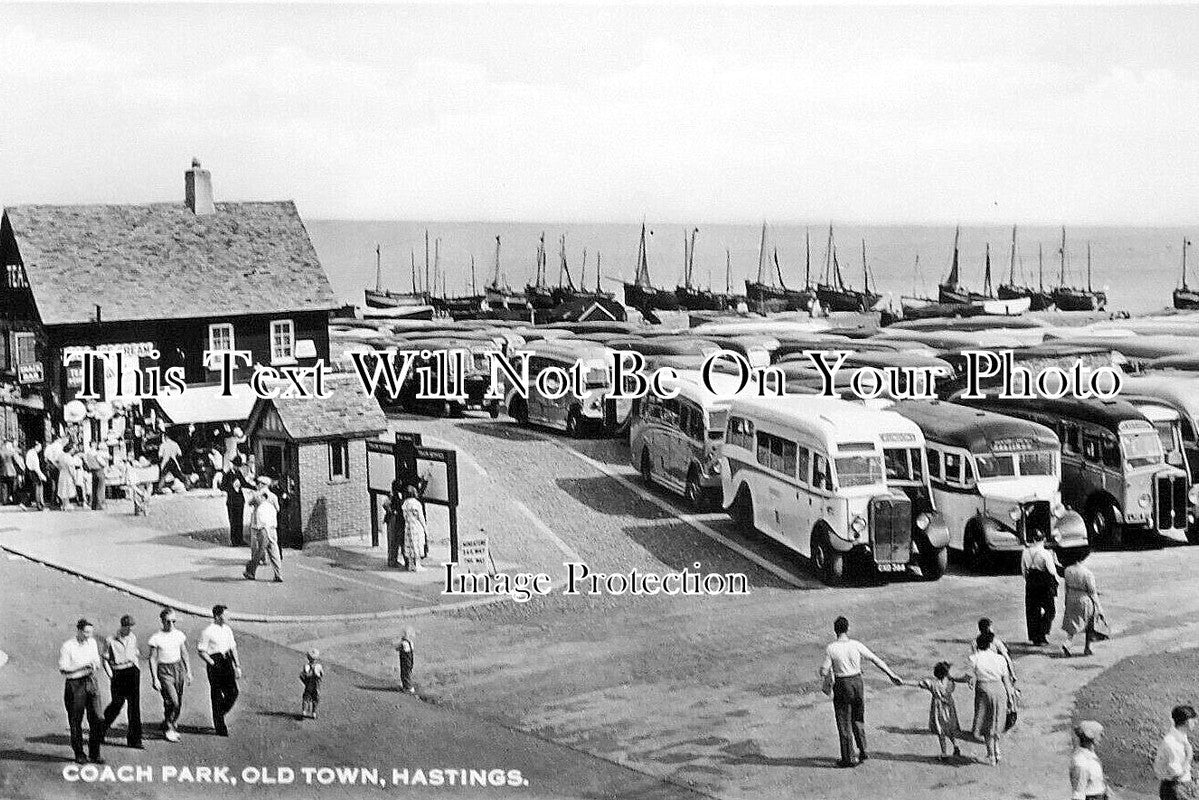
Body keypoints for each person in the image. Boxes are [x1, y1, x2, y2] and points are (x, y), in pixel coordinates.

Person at [818, 616, 904, 768]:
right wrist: (892, 674)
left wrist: (825, 671)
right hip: (857, 682)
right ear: (847, 629)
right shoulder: (856, 645)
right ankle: (863, 750)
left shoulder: (831, 648)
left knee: (844, 721)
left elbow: (824, 671)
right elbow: (875, 659)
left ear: (835, 630)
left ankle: (848, 758)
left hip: (842, 684)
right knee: (858, 717)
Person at [58, 618, 106, 764]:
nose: (88, 635)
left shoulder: (92, 642)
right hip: (75, 684)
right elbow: (63, 669)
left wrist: (93, 666)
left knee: (97, 718)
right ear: (78, 631)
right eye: (86, 632)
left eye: (90, 632)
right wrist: (82, 667)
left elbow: (96, 661)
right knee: (76, 720)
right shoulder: (67, 646)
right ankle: (79, 753)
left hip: (91, 681)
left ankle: (94, 753)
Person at [968, 630, 1015, 765]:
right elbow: (1006, 681)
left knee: (986, 722)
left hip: (983, 690)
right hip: (1000, 690)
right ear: (989, 645)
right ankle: (997, 750)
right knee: (997, 720)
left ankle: (991, 755)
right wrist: (1011, 698)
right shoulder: (1000, 659)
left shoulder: (974, 658)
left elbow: (969, 677)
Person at [148, 608, 191, 742]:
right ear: (162, 621)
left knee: (178, 699)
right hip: (164, 671)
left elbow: (184, 653)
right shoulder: (156, 638)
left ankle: (169, 721)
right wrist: (155, 678)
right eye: (168, 622)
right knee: (172, 700)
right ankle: (169, 728)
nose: (171, 624)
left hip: (178, 668)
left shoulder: (179, 635)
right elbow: (152, 659)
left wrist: (188, 671)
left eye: (174, 621)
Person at [197, 604, 241, 737]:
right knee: (216, 694)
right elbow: (201, 651)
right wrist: (211, 662)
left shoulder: (228, 629)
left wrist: (237, 666)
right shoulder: (208, 631)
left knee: (233, 692)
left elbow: (233, 648)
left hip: (226, 661)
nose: (228, 617)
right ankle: (220, 726)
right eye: (225, 615)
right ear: (217, 616)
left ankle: (218, 713)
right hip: (215, 662)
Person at [101, 614, 143, 749]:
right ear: (122, 626)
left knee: (134, 707)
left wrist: (137, 668)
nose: (129, 629)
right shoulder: (111, 640)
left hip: (132, 671)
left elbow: (135, 653)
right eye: (127, 627)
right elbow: (105, 659)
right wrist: (110, 674)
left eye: (131, 627)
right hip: (118, 673)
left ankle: (135, 740)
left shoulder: (133, 637)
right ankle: (99, 730)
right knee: (117, 704)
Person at [909, 661, 965, 761]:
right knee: (950, 729)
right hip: (949, 708)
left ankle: (944, 753)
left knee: (941, 731)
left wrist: (902, 681)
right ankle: (955, 746)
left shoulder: (933, 684)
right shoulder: (950, 683)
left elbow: (918, 683)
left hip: (938, 709)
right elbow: (956, 680)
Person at [1061, 549, 1105, 657]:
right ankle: (1087, 648)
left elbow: (1066, 587)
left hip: (1071, 597)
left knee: (1072, 623)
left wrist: (1066, 601)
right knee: (1090, 622)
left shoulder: (1067, 570)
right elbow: (1092, 592)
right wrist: (1099, 608)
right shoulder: (1087, 573)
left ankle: (1067, 643)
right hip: (1084, 599)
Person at [1020, 531, 1061, 646]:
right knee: (1050, 610)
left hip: (1031, 581)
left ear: (1033, 540)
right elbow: (1052, 571)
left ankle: (1034, 636)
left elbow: (1023, 570)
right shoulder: (1045, 553)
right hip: (1044, 582)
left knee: (1032, 610)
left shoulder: (1025, 552)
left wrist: (1029, 580)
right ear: (1043, 540)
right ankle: (1042, 632)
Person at [244, 476, 283, 582]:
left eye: (258, 483)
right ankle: (278, 574)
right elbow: (278, 509)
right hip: (272, 527)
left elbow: (249, 503)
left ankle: (251, 571)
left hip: (261, 527)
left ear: (262, 484)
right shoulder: (273, 496)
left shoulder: (258, 496)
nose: (257, 485)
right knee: (274, 551)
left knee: (258, 550)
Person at [1154, 704, 1197, 800]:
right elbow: (1176, 773)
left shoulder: (1180, 736)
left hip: (1177, 786)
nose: (1195, 722)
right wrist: (1188, 757)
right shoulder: (1172, 743)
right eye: (1193, 720)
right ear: (1187, 721)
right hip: (1175, 788)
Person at [971, 618, 1017, 683]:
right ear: (989, 628)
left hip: (983, 672)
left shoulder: (975, 642)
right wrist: (1013, 674)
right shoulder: (996, 642)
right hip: (997, 670)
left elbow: (976, 659)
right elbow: (1007, 659)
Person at [1070, 720, 1107, 800]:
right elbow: (1078, 793)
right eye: (1099, 734)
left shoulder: (1090, 755)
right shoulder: (1081, 762)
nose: (1102, 736)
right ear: (1090, 737)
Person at [219, 458, 249, 547]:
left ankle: (240, 539)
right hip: (231, 500)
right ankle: (234, 540)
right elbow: (222, 486)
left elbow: (244, 483)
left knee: (240, 520)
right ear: (233, 465)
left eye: (238, 466)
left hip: (239, 500)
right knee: (233, 521)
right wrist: (231, 488)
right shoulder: (228, 474)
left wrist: (254, 487)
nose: (237, 468)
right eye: (236, 466)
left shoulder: (238, 473)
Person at [401, 485, 427, 572]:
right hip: (416, 525)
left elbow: (404, 516)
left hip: (408, 526)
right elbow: (421, 517)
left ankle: (411, 565)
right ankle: (418, 565)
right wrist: (425, 527)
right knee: (418, 544)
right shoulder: (416, 503)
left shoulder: (405, 503)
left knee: (410, 544)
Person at [383, 481, 407, 569]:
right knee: (394, 540)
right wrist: (392, 511)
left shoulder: (395, 494)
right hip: (394, 519)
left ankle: (393, 560)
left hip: (397, 519)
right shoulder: (393, 495)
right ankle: (392, 560)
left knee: (395, 540)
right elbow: (385, 504)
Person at [83, 442, 110, 511]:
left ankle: (94, 505)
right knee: (100, 488)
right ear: (94, 445)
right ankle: (100, 505)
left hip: (93, 471)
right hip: (99, 470)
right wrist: (105, 463)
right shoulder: (96, 454)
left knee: (94, 489)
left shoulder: (88, 454)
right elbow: (102, 463)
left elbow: (87, 463)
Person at [300, 649, 324, 719]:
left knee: (306, 698)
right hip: (316, 685)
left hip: (308, 685)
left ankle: (304, 711)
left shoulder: (306, 666)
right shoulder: (318, 666)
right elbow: (322, 674)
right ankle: (314, 712)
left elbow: (304, 674)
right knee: (315, 699)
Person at [56, 443, 80, 510]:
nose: (73, 451)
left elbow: (57, 463)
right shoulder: (69, 457)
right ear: (70, 449)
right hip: (68, 474)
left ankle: (63, 504)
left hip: (62, 473)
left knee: (63, 489)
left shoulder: (61, 456)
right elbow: (71, 468)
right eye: (72, 449)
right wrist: (74, 477)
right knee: (67, 489)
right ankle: (67, 504)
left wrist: (60, 469)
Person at [23, 441, 44, 510]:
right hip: (33, 472)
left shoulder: (30, 452)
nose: (40, 449)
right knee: (38, 487)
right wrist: (41, 475)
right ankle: (39, 504)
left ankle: (26, 503)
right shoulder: (34, 454)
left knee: (31, 488)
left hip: (29, 471)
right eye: (40, 447)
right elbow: (36, 467)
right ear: (36, 446)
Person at [395, 628, 416, 694]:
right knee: (408, 673)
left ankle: (408, 688)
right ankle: (406, 686)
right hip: (410, 660)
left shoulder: (403, 643)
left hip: (405, 660)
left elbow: (397, 648)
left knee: (404, 674)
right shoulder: (411, 642)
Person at [0, 437, 21, 505]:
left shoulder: (1, 451)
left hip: (2, 471)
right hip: (12, 471)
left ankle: (4, 501)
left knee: (4, 486)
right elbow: (17, 462)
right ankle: (15, 500)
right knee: (13, 487)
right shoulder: (12, 452)